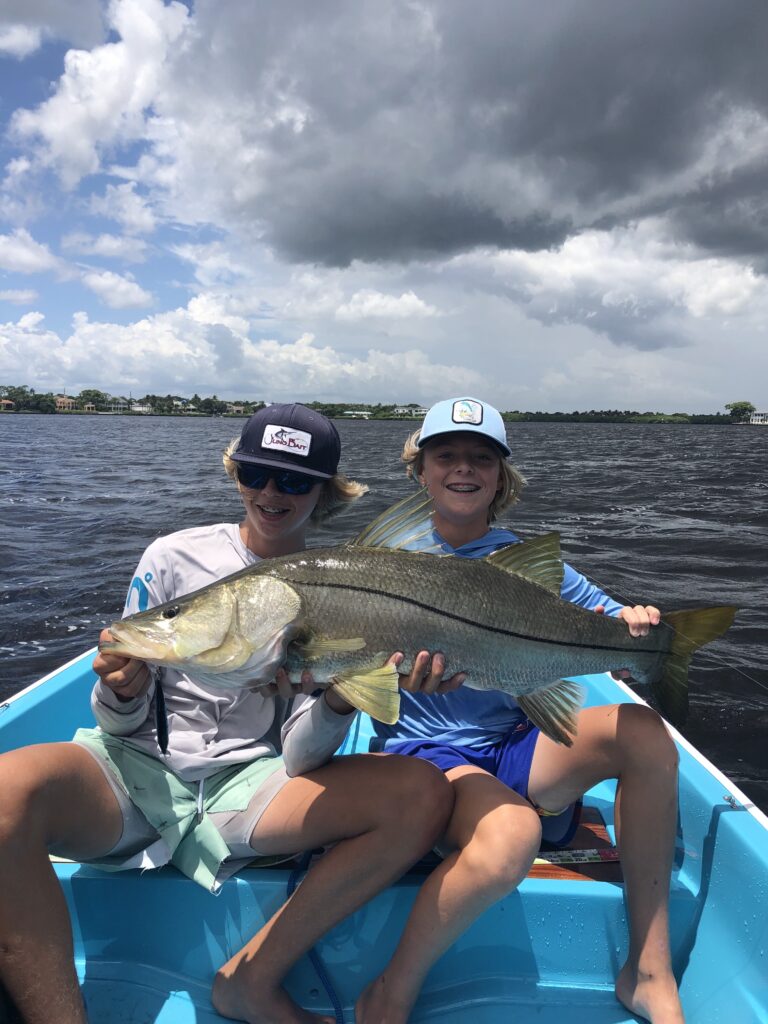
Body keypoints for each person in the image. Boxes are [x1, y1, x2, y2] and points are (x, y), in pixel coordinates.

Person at [0, 404, 453, 1024]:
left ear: (325, 492)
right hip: (135, 771)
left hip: (250, 782)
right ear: (235, 473)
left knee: (422, 795)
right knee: (5, 792)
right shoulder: (170, 559)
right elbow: (116, 725)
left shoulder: (333, 590)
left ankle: (252, 979)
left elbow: (299, 756)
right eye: (254, 473)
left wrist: (342, 695)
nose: (271, 493)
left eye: (294, 480)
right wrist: (124, 694)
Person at [353, 397, 684, 1024]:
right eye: (445, 455)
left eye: (482, 457)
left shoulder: (534, 566)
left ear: (501, 476)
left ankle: (648, 968)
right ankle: (387, 996)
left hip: (516, 742)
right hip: (432, 760)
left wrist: (637, 626)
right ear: (418, 470)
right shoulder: (381, 563)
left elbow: (605, 621)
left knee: (642, 730)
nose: (463, 469)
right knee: (514, 833)